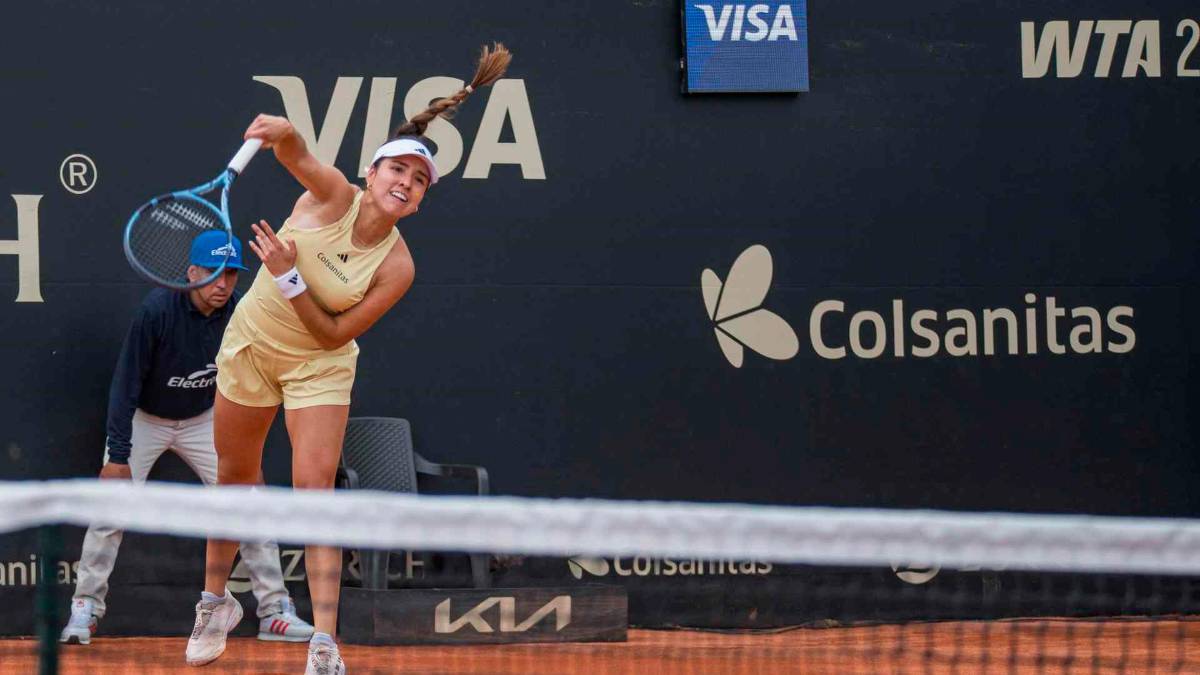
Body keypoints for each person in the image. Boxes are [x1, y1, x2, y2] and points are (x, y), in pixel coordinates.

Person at [185, 44, 512, 674]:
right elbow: (297, 155)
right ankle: (214, 603)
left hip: (319, 364)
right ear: (372, 172)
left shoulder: (398, 267)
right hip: (252, 345)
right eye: (398, 171)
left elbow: (333, 335)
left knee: (315, 496)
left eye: (419, 181)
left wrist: (289, 278)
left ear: (421, 200)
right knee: (234, 479)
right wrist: (284, 132)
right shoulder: (333, 196)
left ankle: (325, 643)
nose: (406, 184)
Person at [60, 231, 314, 646]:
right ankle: (85, 608)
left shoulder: (242, 312)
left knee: (250, 502)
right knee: (109, 509)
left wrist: (246, 455)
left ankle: (274, 612)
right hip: (146, 418)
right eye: (213, 272)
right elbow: (124, 386)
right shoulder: (156, 311)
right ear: (192, 272)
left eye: (231, 274)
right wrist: (118, 457)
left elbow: (257, 384)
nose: (222, 283)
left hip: (205, 419)